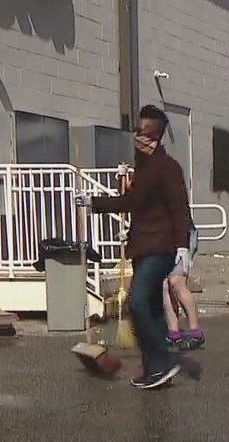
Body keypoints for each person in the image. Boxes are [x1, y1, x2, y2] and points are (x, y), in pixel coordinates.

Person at [76, 104, 190, 389]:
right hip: (142, 245)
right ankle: (154, 369)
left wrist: (183, 248)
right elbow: (130, 203)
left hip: (160, 247)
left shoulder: (167, 168)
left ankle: (162, 362)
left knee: (137, 302)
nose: (137, 136)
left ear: (155, 136)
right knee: (149, 307)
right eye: (137, 130)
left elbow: (180, 209)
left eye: (143, 131)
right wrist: (94, 203)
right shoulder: (144, 168)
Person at [164, 220, 204, 350]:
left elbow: (180, 212)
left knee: (176, 281)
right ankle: (173, 333)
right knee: (165, 285)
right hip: (162, 236)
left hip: (180, 236)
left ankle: (195, 332)